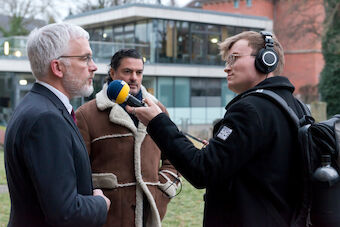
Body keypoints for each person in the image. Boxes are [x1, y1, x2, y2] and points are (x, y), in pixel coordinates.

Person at [126, 31, 306, 226]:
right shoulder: (296, 107)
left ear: (266, 60)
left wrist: (157, 122)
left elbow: (202, 170)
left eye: (234, 58)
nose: (227, 68)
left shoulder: (250, 109)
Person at [4, 23, 110, 227]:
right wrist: (100, 204)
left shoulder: (35, 106)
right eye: (85, 58)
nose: (94, 66)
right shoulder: (46, 118)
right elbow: (65, 213)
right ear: (58, 67)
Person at [75, 49, 181, 227]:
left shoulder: (158, 110)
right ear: (112, 73)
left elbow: (175, 157)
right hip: (107, 216)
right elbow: (78, 168)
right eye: (127, 71)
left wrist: (163, 190)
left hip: (149, 214)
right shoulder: (86, 114)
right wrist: (96, 201)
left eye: (139, 72)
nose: (134, 78)